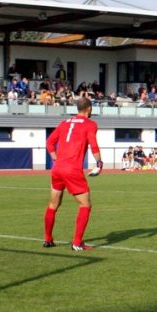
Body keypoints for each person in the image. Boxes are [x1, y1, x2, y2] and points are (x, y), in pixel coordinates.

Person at [43, 96, 102, 251]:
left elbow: (49, 142)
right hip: (72, 170)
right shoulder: (90, 124)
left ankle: (48, 239)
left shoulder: (64, 123)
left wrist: (56, 158)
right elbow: (93, 144)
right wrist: (99, 163)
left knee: (53, 205)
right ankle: (77, 243)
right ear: (89, 109)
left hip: (57, 169)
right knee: (85, 205)